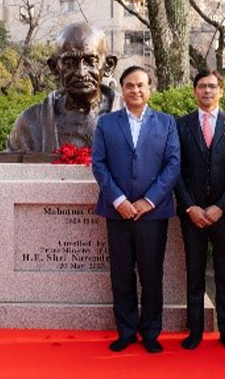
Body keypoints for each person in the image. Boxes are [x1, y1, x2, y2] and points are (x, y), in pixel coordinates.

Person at [91, 66, 180, 354]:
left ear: (150, 88)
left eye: (141, 85)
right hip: (118, 212)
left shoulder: (167, 123)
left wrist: (148, 201)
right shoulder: (106, 123)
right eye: (129, 85)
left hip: (153, 213)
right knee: (121, 274)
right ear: (122, 89)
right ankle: (126, 331)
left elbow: (173, 165)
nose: (136, 90)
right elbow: (99, 165)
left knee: (151, 274)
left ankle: (151, 331)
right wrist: (119, 200)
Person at [174, 70, 225, 352]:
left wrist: (221, 207)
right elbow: (175, 170)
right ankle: (195, 330)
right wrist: (189, 206)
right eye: (202, 86)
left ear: (221, 91)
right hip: (192, 213)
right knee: (194, 272)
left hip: (224, 215)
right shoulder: (181, 125)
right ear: (194, 91)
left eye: (212, 86)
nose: (207, 91)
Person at [6, 22, 121, 154]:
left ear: (108, 66)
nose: (81, 72)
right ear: (54, 67)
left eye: (91, 62)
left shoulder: (133, 119)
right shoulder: (30, 124)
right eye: (70, 63)